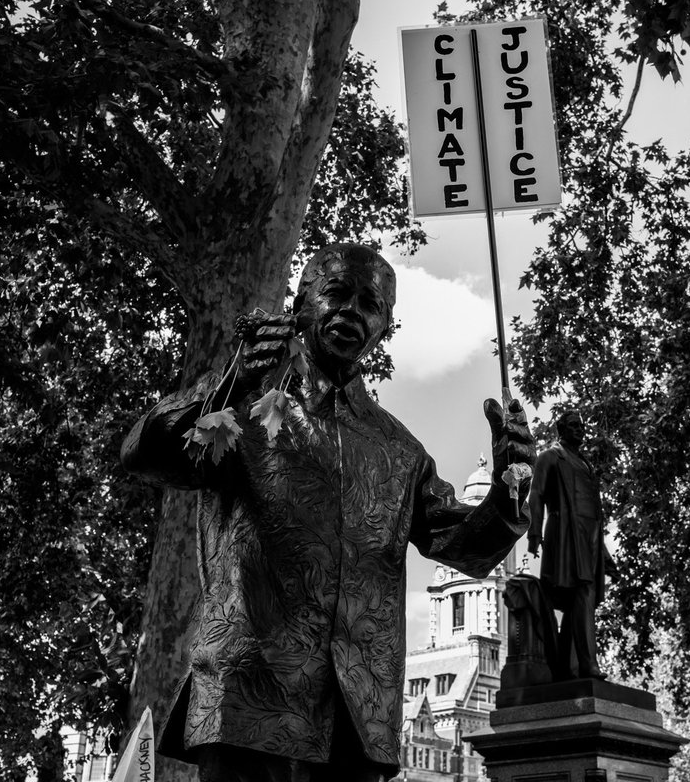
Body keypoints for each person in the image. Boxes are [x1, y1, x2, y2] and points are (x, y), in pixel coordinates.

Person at [121, 243, 533, 782]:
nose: (352, 313)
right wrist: (232, 381)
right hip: (250, 699)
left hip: (358, 719)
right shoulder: (242, 404)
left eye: (371, 304)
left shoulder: (399, 450)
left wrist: (509, 491)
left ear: (385, 324)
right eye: (336, 294)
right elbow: (145, 454)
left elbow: (467, 547)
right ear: (301, 302)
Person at [527, 410, 613, 681]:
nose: (580, 429)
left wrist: (605, 555)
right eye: (574, 426)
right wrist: (534, 533)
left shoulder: (585, 464)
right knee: (582, 597)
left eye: (582, 425)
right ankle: (588, 665)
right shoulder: (550, 457)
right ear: (561, 429)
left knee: (583, 601)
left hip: (590, 539)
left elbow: (595, 512)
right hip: (565, 536)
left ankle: (566, 666)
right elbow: (536, 493)